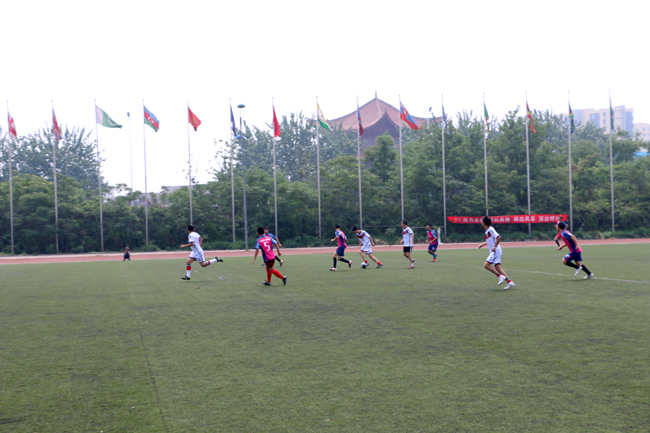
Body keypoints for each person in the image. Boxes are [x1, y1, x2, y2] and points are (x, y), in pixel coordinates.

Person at [478, 216, 515, 290]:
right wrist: (482, 244)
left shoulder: (491, 229)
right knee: (497, 268)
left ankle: (500, 276)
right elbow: (490, 241)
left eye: (482, 221)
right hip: (496, 251)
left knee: (486, 265)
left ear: (484, 223)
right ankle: (510, 282)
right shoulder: (487, 231)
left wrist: (494, 247)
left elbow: (498, 237)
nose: (481, 222)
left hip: (495, 251)